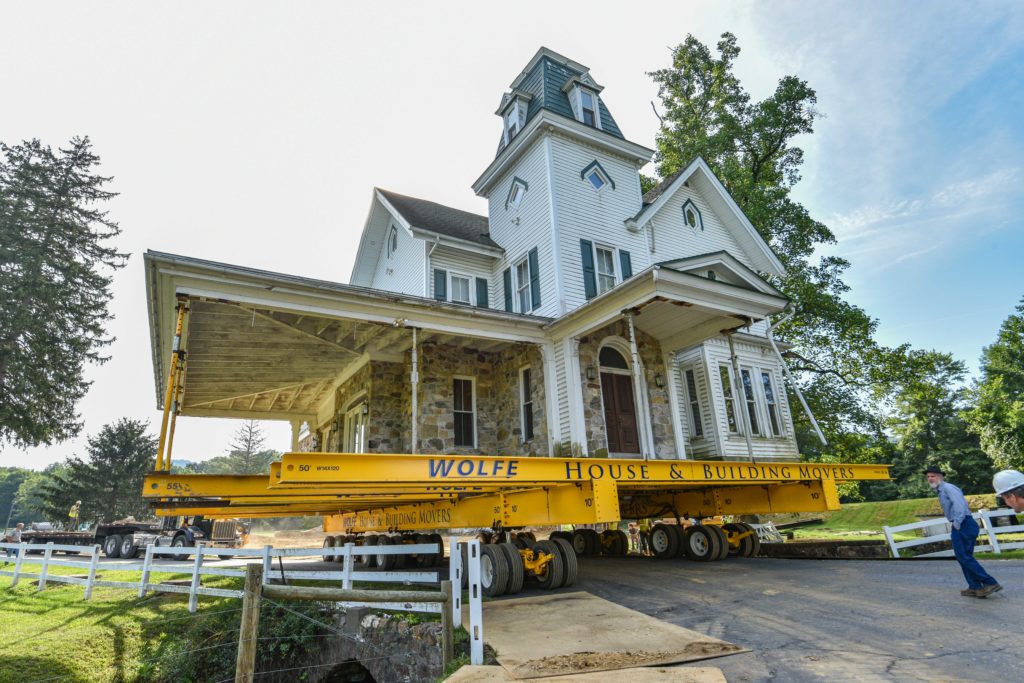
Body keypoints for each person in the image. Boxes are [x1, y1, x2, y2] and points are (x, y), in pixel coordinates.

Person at [924, 466, 1001, 598]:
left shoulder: (948, 488)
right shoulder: (941, 490)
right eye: (928, 477)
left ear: (941, 477)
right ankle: (975, 587)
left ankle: (990, 583)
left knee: (964, 557)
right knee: (964, 557)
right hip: (964, 524)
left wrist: (957, 524)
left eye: (933, 476)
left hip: (963, 523)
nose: (930, 478)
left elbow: (959, 506)